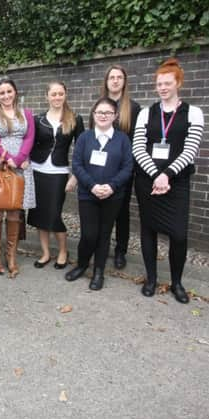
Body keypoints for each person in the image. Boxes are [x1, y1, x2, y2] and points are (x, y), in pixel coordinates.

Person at [132, 58, 204, 303]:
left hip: (177, 183)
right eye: (159, 84)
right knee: (148, 230)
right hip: (148, 181)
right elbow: (138, 148)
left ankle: (177, 282)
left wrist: (167, 175)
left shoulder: (193, 113)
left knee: (179, 235)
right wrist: (155, 175)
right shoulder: (145, 113)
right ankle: (151, 279)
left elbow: (190, 150)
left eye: (167, 83)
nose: (162, 88)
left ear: (178, 83)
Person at [65, 97, 133, 290]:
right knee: (88, 234)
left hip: (113, 196)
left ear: (115, 116)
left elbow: (128, 167)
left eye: (108, 113)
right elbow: (77, 165)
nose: (103, 116)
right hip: (88, 195)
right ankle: (82, 264)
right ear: (93, 115)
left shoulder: (122, 139)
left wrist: (112, 186)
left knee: (104, 234)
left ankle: (99, 271)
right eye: (99, 112)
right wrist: (92, 186)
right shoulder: (85, 138)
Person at [27, 81, 85, 269]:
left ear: (65, 95)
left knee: (54, 214)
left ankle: (62, 250)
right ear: (47, 97)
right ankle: (45, 253)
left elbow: (81, 149)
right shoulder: (38, 119)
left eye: (60, 94)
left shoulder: (75, 118)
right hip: (37, 170)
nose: (57, 97)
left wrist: (75, 175)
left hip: (59, 172)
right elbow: (30, 144)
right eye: (54, 94)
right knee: (38, 215)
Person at [0, 77, 35, 278]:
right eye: (2, 92)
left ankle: (11, 255)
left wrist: (20, 158)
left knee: (14, 211)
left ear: (15, 92)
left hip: (21, 166)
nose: (6, 95)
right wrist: (7, 159)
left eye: (9, 91)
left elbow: (30, 137)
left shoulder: (26, 113)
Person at [101, 65, 141, 269]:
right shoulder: (99, 106)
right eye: (111, 77)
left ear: (124, 82)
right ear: (106, 82)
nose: (115, 81)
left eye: (119, 77)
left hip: (122, 169)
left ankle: (120, 251)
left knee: (121, 211)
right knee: (102, 208)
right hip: (100, 167)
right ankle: (102, 246)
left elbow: (136, 142)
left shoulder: (133, 108)